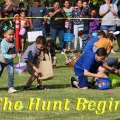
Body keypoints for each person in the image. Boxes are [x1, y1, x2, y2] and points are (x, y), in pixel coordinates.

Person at [0, 21, 20, 93]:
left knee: (11, 73)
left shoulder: (14, 40)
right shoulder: (3, 43)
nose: (12, 36)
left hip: (9, 61)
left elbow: (15, 49)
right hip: (1, 61)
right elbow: (4, 55)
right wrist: (11, 56)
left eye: (13, 34)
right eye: (10, 34)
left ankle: (10, 87)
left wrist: (17, 53)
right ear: (4, 34)